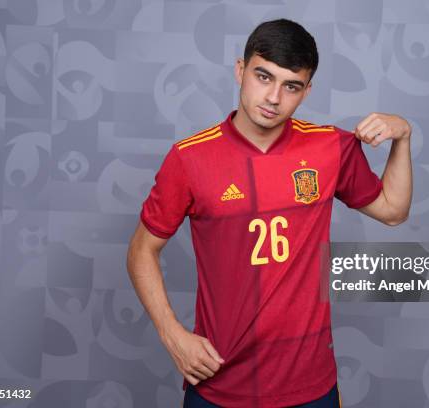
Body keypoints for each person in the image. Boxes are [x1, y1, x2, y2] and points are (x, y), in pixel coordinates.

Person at [126, 18, 412, 408]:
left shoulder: (331, 147)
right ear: (240, 70)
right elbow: (142, 249)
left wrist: (403, 137)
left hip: (310, 384)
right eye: (263, 76)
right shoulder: (189, 158)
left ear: (306, 91)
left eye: (290, 86)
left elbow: (394, 211)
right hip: (220, 381)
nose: (274, 97)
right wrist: (171, 334)